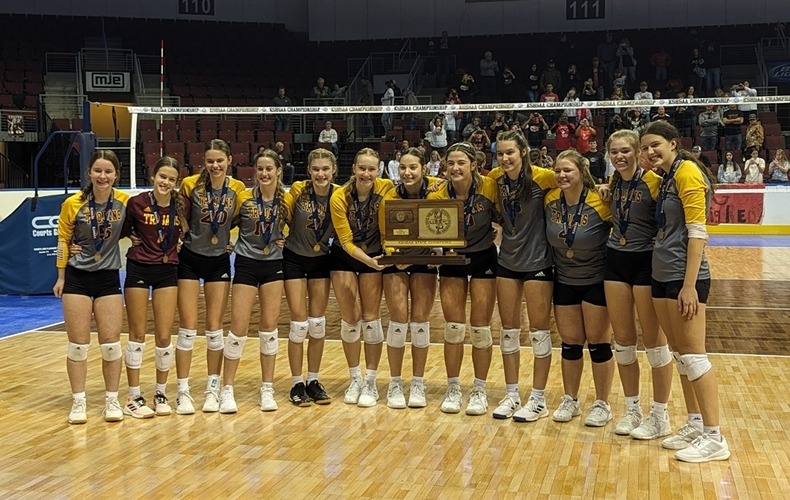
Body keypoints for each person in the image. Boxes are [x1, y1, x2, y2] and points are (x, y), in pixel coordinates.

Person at [639, 120, 729, 462]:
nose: (650, 152)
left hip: (683, 277)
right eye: (645, 147)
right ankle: (694, 424)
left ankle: (715, 437)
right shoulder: (666, 177)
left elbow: (697, 231)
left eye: (656, 145)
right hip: (662, 272)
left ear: (673, 143)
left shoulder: (688, 172)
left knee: (693, 355)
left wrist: (690, 285)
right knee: (680, 354)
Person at [603, 130, 674, 440]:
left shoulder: (655, 182)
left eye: (626, 151)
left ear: (638, 152)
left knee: (655, 345)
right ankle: (632, 410)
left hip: (646, 262)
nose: (620, 156)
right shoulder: (613, 183)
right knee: (623, 342)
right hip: (616, 261)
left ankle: (660, 415)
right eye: (614, 152)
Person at [53, 150, 130, 424]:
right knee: (78, 346)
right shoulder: (73, 203)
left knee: (111, 346)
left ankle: (112, 400)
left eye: (108, 171)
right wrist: (61, 277)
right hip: (78, 278)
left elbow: (140, 229)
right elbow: (63, 240)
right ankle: (78, 402)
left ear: (116, 175)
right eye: (98, 170)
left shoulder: (124, 202)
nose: (102, 176)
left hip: (108, 277)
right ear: (89, 173)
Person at [175, 139, 249, 415]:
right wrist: (179, 236)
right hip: (190, 259)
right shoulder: (190, 184)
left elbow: (245, 220)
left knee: (215, 329)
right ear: (203, 162)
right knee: (187, 328)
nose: (215, 165)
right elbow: (179, 215)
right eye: (210, 161)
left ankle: (213, 389)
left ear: (229, 160)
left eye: (219, 160)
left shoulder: (238, 189)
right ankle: (183, 391)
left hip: (218, 260)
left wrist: (235, 242)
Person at [427, 142, 500, 416]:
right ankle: (453, 387)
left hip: (483, 257)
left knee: (480, 328)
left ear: (473, 165)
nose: (455, 168)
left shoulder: (489, 187)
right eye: (451, 163)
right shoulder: (438, 194)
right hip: (452, 259)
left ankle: (479, 388)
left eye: (461, 163)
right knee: (454, 328)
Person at [488, 131, 556, 422]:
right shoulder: (495, 178)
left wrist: (601, 188)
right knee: (508, 330)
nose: (505, 158)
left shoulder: (544, 177)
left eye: (510, 153)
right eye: (500, 154)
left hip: (537, 261)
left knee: (539, 332)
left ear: (524, 152)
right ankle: (512, 394)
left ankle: (538, 399)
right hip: (507, 260)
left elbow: (576, 179)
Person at [544, 149, 614, 426]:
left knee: (598, 344)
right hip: (564, 280)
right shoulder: (550, 200)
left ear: (582, 173)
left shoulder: (600, 200)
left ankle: (602, 403)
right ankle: (570, 400)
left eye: (568, 170)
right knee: (570, 344)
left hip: (596, 280)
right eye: (558, 170)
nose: (562, 175)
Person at [219, 150, 286, 413]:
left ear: (278, 170)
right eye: (260, 169)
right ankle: (227, 388)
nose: (265, 173)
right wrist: (223, 242)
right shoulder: (243, 199)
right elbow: (222, 221)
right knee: (238, 327)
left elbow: (303, 225)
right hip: (246, 263)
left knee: (269, 328)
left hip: (273, 265)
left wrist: (288, 241)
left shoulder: (287, 200)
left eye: (269, 168)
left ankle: (267, 388)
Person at [330, 148, 394, 407]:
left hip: (375, 253)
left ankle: (371, 380)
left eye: (371, 169)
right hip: (347, 256)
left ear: (379, 170)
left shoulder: (387, 188)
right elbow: (345, 241)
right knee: (350, 318)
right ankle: (354, 378)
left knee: (371, 318)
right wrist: (369, 261)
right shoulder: (340, 196)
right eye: (362, 168)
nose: (366, 173)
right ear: (354, 169)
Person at [120, 157, 184, 418]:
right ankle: (133, 396)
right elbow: (121, 229)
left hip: (167, 270)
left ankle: (160, 392)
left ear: (176, 182)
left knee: (164, 336)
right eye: (162, 176)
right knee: (137, 333)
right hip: (139, 267)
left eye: (171, 179)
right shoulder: (137, 203)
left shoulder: (182, 205)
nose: (165, 182)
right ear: (153, 176)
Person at [379, 148, 439, 409]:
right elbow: (385, 235)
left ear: (423, 168)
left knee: (420, 322)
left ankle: (417, 382)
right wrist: (394, 253)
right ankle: (395, 382)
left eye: (413, 167)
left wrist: (438, 250)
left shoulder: (437, 191)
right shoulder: (390, 197)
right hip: (398, 261)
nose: (407, 172)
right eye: (403, 167)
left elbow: (445, 226)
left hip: (425, 261)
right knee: (398, 321)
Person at [283, 149, 340, 407]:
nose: (320, 174)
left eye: (325, 169)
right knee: (299, 325)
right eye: (316, 169)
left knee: (317, 324)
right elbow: (279, 213)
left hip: (321, 260)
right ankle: (297, 382)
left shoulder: (339, 194)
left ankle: (313, 380)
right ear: (308, 170)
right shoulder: (298, 190)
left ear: (334, 170)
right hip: (294, 258)